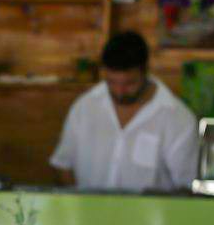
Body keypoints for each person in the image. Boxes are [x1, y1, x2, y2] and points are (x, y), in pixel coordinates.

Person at [51, 31, 198, 192]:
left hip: (149, 216)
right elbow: (62, 164)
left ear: (146, 71)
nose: (119, 92)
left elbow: (186, 186)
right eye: (111, 82)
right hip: (89, 213)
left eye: (130, 84)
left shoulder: (178, 118)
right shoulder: (85, 107)